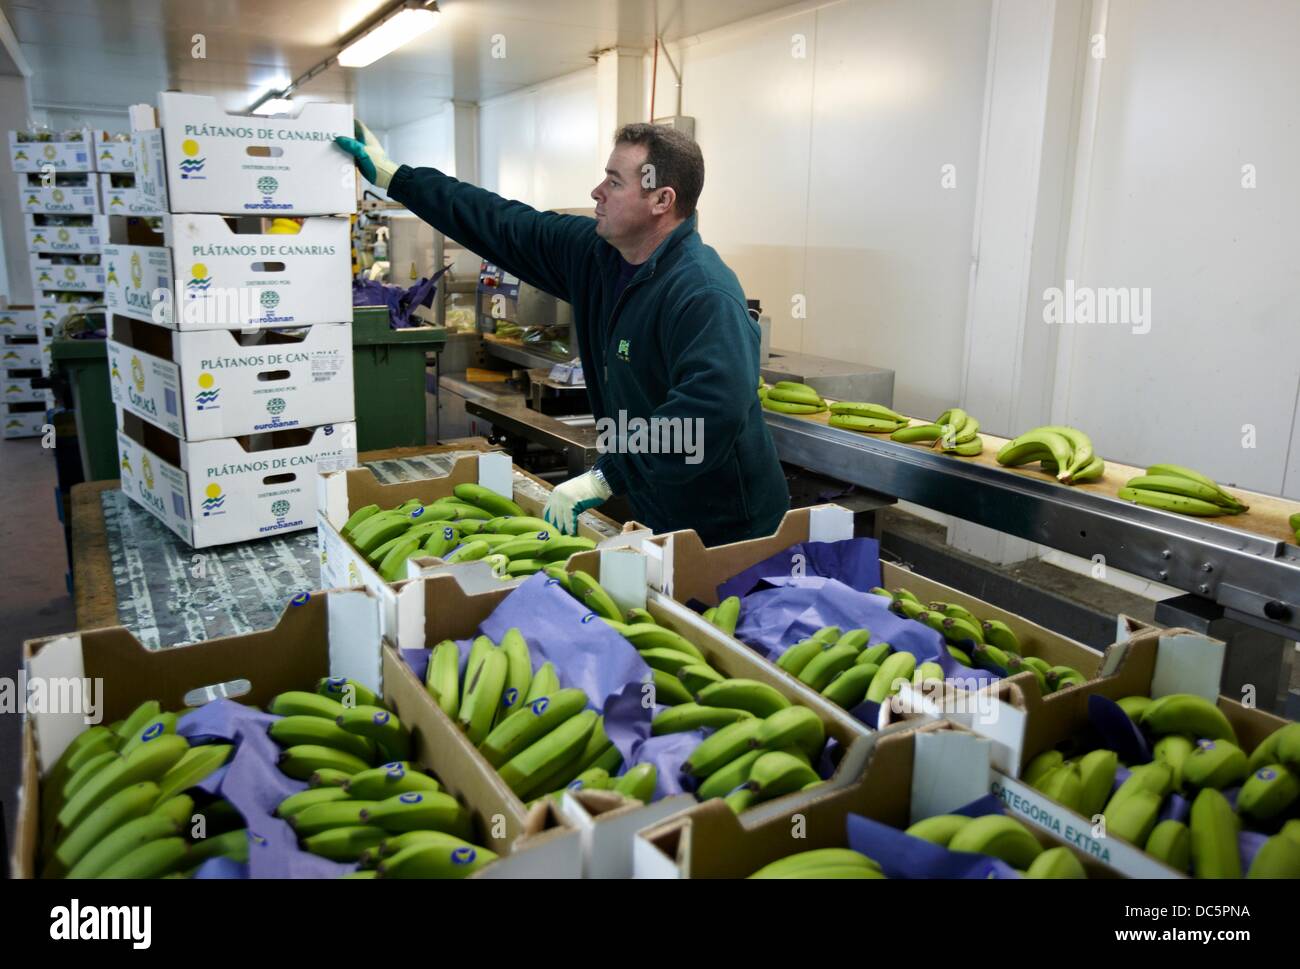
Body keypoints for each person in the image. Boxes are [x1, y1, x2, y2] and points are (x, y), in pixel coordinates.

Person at [335, 120, 789, 546]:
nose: (597, 192)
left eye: (615, 182)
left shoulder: (702, 292)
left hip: (729, 529)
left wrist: (606, 477)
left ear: (661, 200)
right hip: (656, 507)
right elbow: (501, 223)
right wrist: (398, 178)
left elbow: (708, 417)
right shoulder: (598, 255)